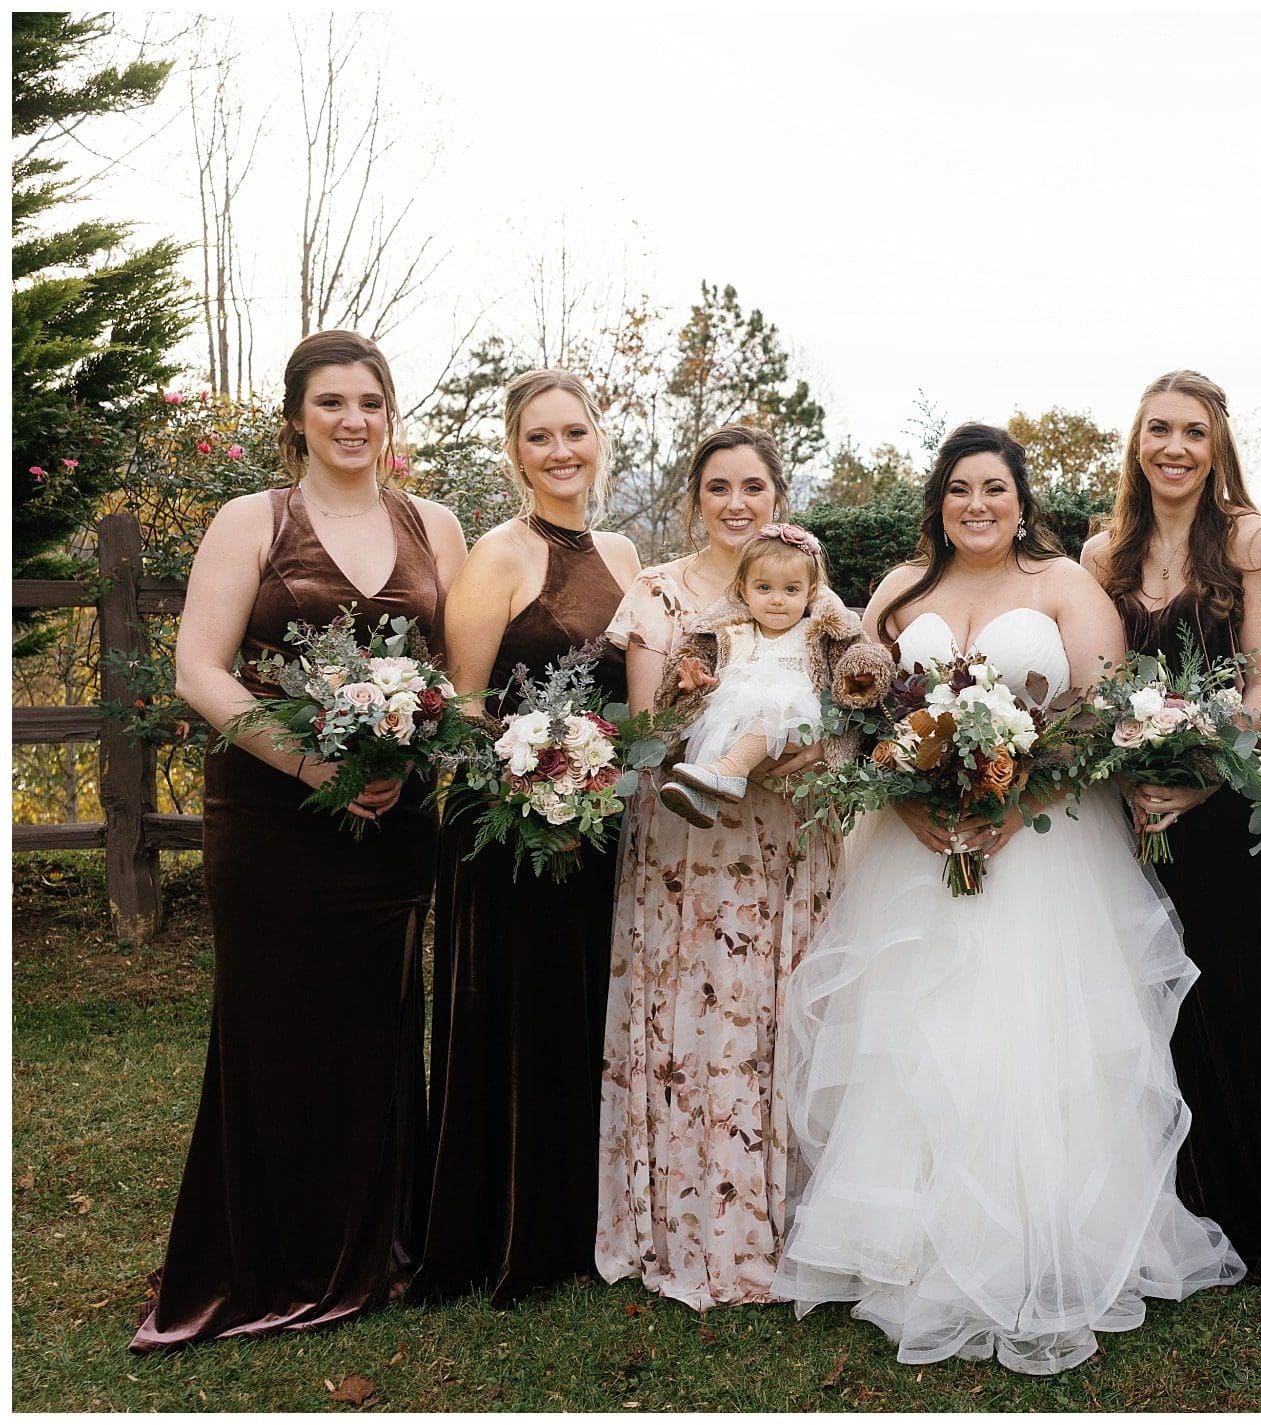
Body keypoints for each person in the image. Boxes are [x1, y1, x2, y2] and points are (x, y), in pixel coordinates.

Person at [770, 423, 1246, 1376]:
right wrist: (912, 806)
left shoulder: (1064, 585)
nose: (975, 505)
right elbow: (861, 718)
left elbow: (1101, 717)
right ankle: (906, 1249)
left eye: (993, 488)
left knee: (1035, 1034)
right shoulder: (903, 592)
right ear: (937, 502)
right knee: (920, 1034)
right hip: (919, 850)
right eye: (957, 489)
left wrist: (1008, 803)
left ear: (1023, 502)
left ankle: (1045, 1244)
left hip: (1043, 848)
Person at [135, 331, 468, 1349]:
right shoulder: (253, 519)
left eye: (371, 401)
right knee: (273, 1024)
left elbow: (460, 671)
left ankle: (373, 1252)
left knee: (374, 1029)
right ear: (296, 417)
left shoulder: (437, 524)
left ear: (390, 414)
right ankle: (267, 1258)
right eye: (331, 403)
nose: (353, 421)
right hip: (273, 813)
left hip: (394, 816)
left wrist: (417, 750)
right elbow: (202, 670)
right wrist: (315, 764)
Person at [597, 426, 848, 1309]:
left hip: (785, 842)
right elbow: (645, 731)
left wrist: (800, 754)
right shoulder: (657, 595)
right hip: (687, 846)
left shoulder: (814, 598)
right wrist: (694, 715)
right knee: (700, 1017)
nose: (736, 503)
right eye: (718, 488)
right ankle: (693, 1225)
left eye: (753, 487)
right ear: (693, 498)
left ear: (777, 498)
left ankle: (795, 1226)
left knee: (779, 1018)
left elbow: (850, 716)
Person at [410, 370, 639, 1307]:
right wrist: (525, 778)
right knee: (522, 1019)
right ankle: (509, 1230)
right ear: (515, 451)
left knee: (590, 1018)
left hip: (605, 825)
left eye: (575, 432)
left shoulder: (625, 551)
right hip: (510, 837)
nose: (560, 451)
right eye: (539, 436)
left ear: (599, 440)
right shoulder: (499, 556)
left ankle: (588, 1223)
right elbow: (463, 707)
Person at [1080, 369, 1261, 1268]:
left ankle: (1236, 1200)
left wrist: (1203, 780)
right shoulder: (1103, 555)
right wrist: (1131, 775)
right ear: (1137, 442)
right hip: (1125, 810)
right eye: (1159, 429)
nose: (1175, 447)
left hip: (1220, 807)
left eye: (1194, 432)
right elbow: (1099, 688)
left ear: (1217, 446)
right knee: (1130, 999)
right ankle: (1147, 1204)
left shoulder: (1247, 539)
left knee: (1223, 989)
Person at [658, 524, 844, 822]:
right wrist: (700, 682)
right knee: (718, 718)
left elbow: (846, 668)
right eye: (764, 588)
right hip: (739, 708)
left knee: (770, 708)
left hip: (791, 714)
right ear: (744, 591)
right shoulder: (735, 633)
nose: (777, 599)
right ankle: (704, 795)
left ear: (810, 594)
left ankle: (731, 770)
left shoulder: (813, 632)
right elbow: (714, 667)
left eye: (791, 589)